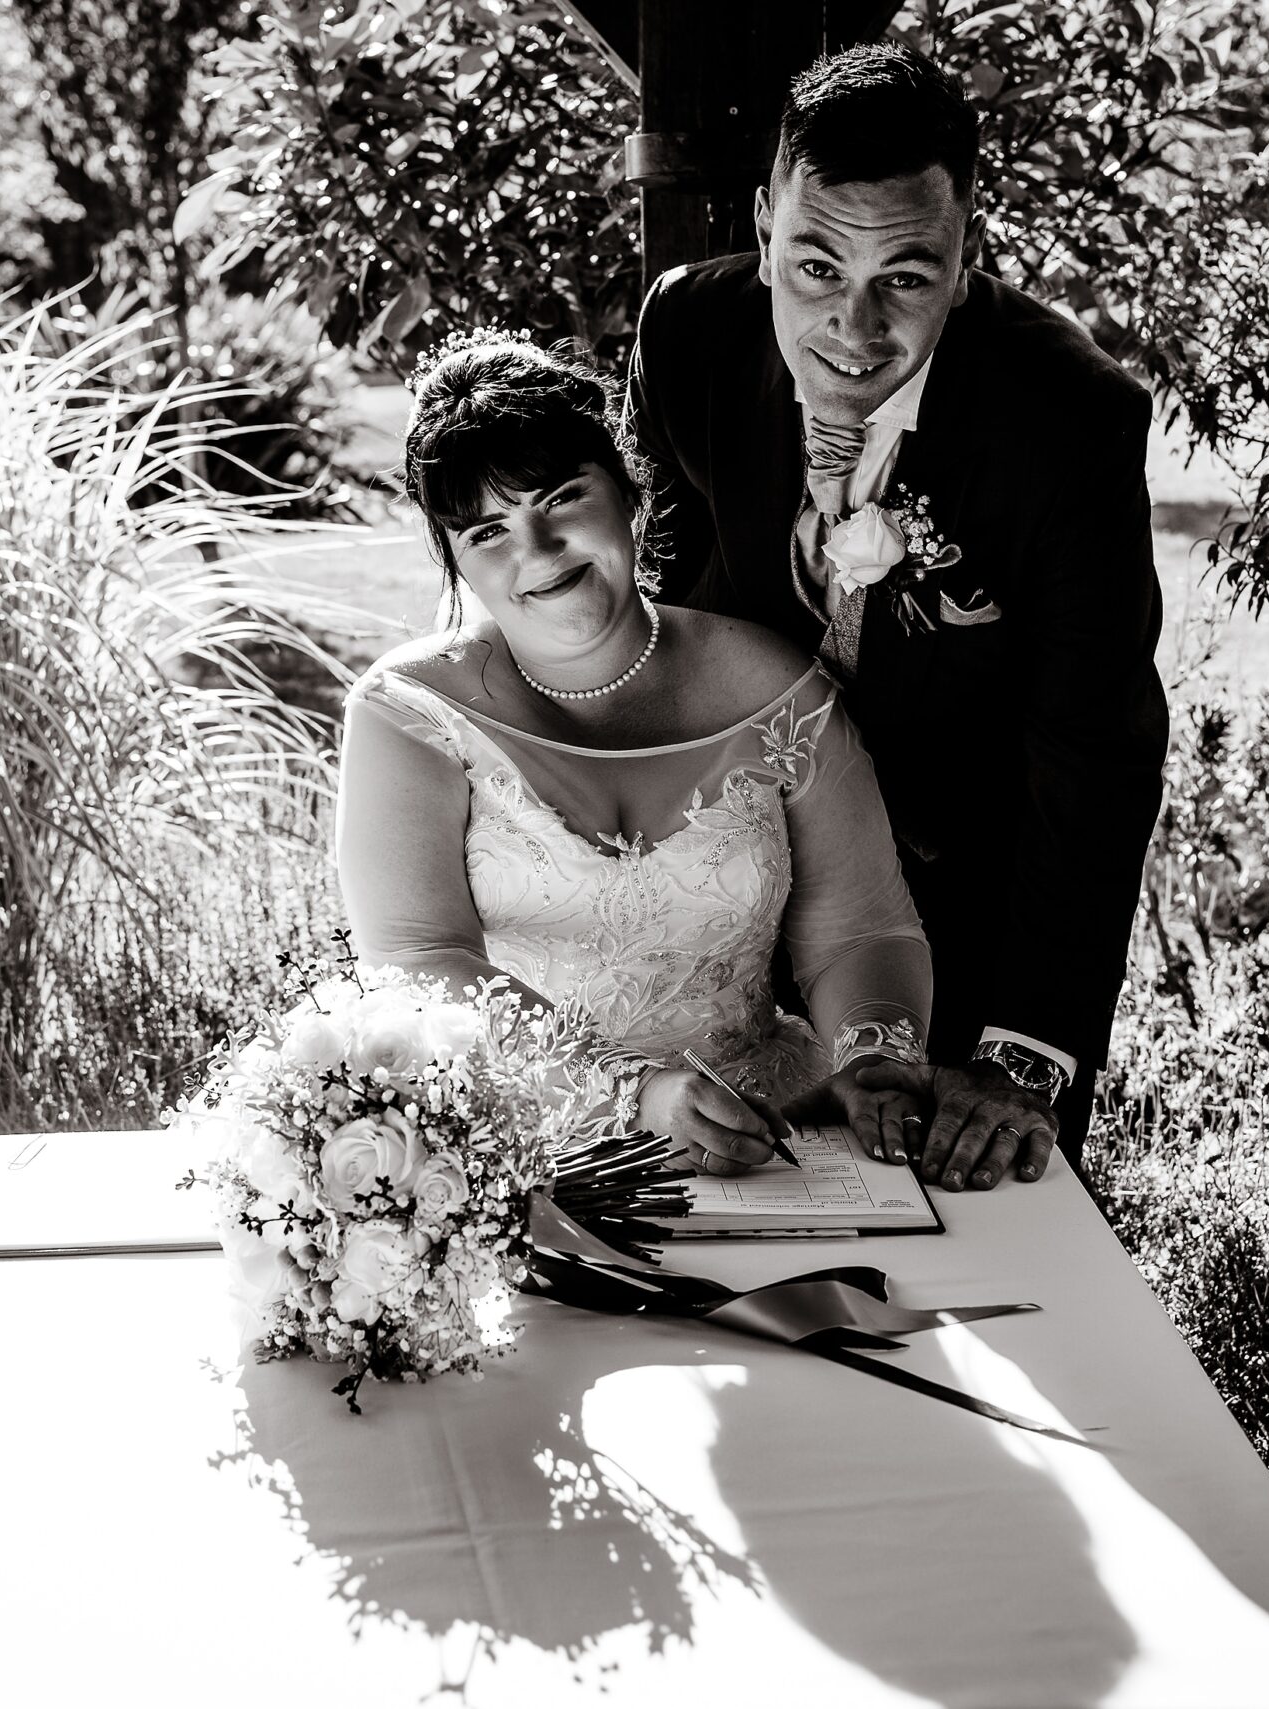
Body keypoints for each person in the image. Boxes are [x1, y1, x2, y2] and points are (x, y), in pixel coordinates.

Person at [630, 42, 1169, 1192]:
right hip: (744, 905)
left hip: (971, 925)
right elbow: (671, 610)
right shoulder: (688, 337)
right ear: (764, 222)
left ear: (966, 255)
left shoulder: (1070, 428)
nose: (854, 329)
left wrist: (1017, 1059)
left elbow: (1095, 754)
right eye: (817, 266)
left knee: (977, 1265)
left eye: (906, 278)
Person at [336, 334, 935, 1180]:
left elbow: (860, 928)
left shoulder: (776, 690)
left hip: (775, 1139)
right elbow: (423, 962)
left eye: (562, 498)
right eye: (488, 531)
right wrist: (631, 1092)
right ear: (457, 560)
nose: (537, 551)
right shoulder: (412, 715)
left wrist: (873, 1055)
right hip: (512, 1154)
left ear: (629, 495)